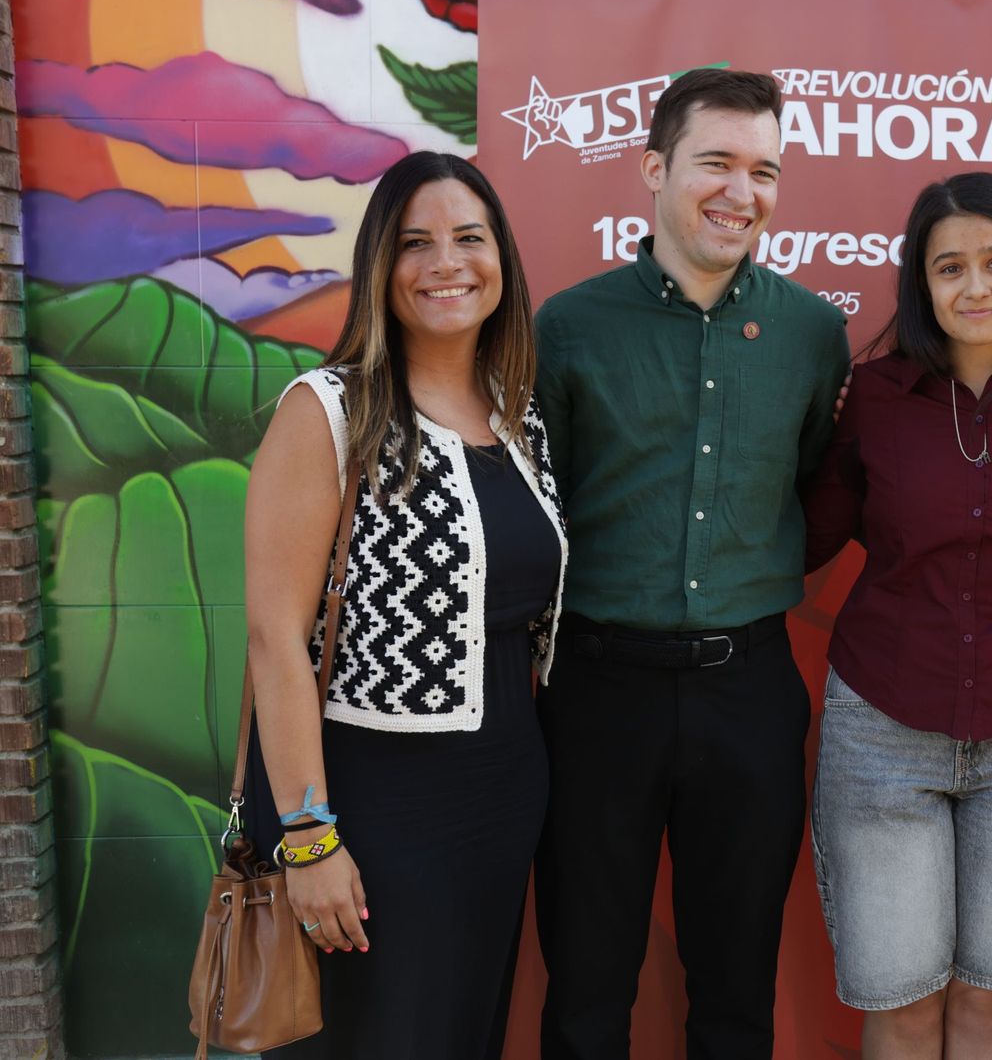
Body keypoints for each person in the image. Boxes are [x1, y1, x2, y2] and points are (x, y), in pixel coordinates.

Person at [531, 68, 852, 1059]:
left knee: (736, 990)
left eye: (765, 170)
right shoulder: (567, 328)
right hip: (596, 694)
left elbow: (810, 485)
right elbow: (540, 506)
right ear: (652, 168)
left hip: (748, 690)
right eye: (717, 162)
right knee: (586, 990)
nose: (741, 191)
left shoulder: (812, 334)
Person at [242, 151, 566, 1059]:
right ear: (380, 266)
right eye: (416, 243)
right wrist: (308, 838)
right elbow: (275, 639)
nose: (446, 263)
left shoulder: (518, 416)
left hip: (499, 799)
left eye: (469, 238)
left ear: (501, 257)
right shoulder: (330, 410)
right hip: (370, 806)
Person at [801, 171, 992, 1060]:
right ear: (922, 282)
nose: (975, 286)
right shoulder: (872, 399)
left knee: (989, 1000)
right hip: (883, 732)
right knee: (902, 1005)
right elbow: (806, 540)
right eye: (950, 268)